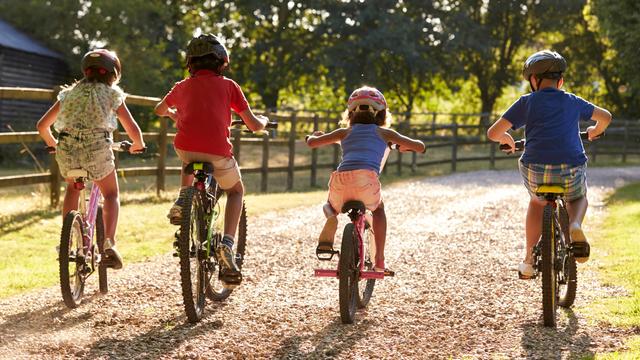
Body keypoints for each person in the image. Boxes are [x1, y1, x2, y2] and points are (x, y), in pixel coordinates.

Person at [487, 50, 612, 278]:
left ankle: (528, 260)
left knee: (537, 202)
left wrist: (507, 139)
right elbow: (606, 117)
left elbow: (493, 132)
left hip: (536, 168)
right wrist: (594, 131)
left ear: (534, 80)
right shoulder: (572, 101)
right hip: (571, 168)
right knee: (577, 197)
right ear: (561, 81)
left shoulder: (526, 102)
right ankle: (575, 225)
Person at [154, 34, 267, 287]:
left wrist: (174, 114)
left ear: (190, 63)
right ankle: (227, 243)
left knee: (188, 161)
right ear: (221, 61)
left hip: (186, 150)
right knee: (236, 191)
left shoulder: (181, 86)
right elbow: (253, 124)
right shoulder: (229, 86)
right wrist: (264, 123)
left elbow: (159, 109)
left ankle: (183, 198)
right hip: (217, 152)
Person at [37, 49, 146, 269]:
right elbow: (131, 127)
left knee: (72, 189)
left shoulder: (68, 94)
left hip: (66, 148)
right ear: (113, 74)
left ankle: (67, 240)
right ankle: (109, 243)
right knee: (111, 194)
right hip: (97, 148)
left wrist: (53, 144)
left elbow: (42, 126)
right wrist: (138, 144)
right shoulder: (112, 94)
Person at [306, 86, 425, 274]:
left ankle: (331, 218)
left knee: (329, 205)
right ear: (381, 114)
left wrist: (314, 136)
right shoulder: (385, 134)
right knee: (378, 210)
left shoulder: (343, 133)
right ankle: (379, 260)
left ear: (350, 113)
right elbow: (419, 146)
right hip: (366, 181)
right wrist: (405, 146)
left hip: (341, 182)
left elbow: (312, 143)